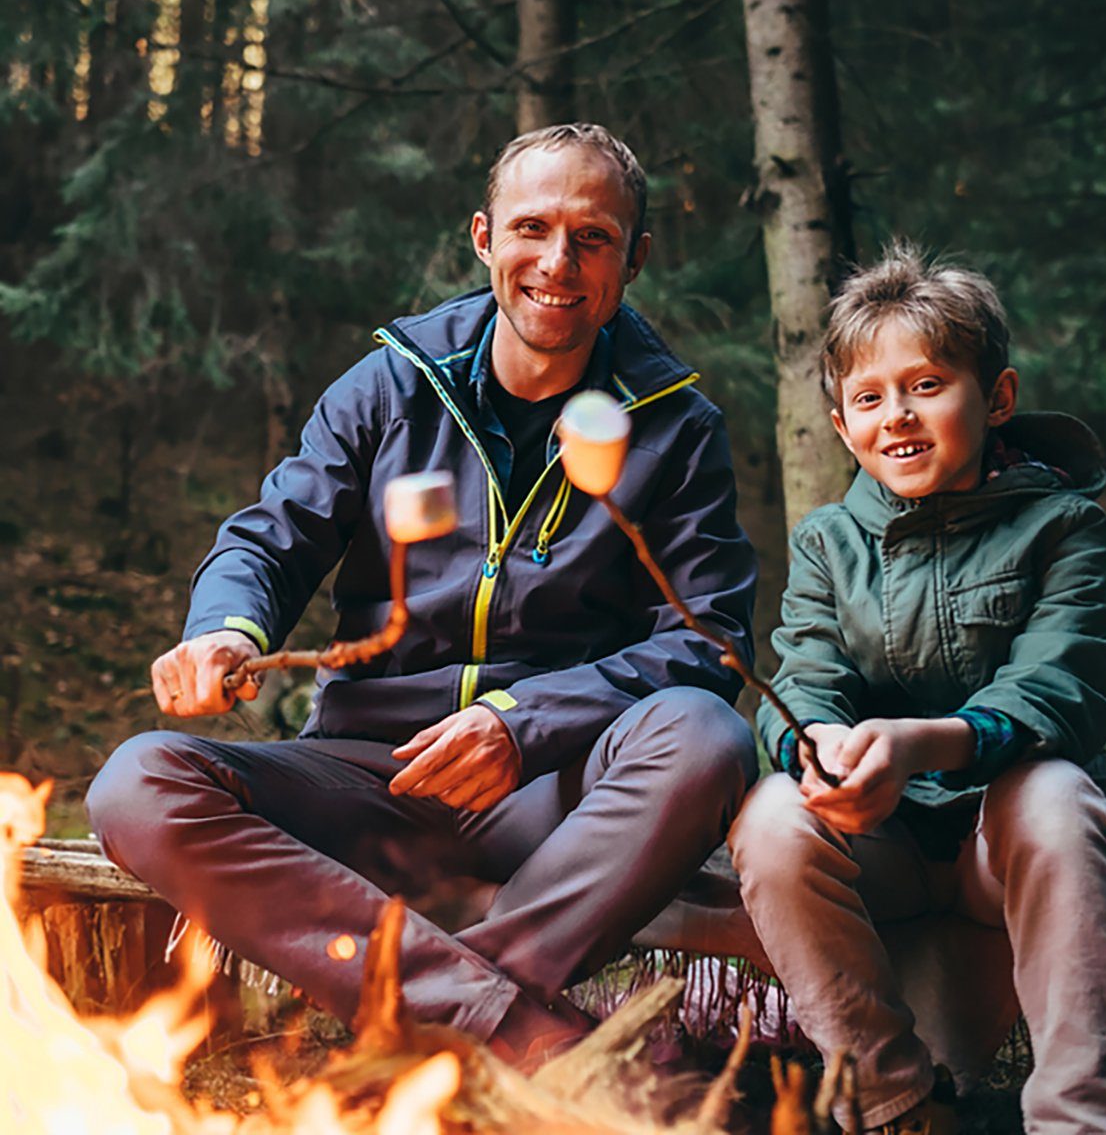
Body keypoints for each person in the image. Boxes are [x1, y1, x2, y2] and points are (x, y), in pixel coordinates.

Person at [87, 123, 758, 1066]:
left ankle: (428, 1037)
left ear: (635, 256)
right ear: (484, 238)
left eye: (593, 238)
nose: (557, 263)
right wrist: (226, 630)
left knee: (704, 733)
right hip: (370, 774)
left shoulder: (679, 430)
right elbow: (274, 534)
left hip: (553, 800)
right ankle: (519, 1041)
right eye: (533, 229)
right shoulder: (390, 387)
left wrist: (524, 722)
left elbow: (707, 642)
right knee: (137, 784)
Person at [728, 244, 1106, 1134]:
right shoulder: (825, 543)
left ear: (995, 400)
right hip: (876, 846)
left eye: (926, 385)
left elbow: (1064, 683)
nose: (898, 417)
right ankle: (894, 1103)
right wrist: (817, 751)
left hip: (994, 858)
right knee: (768, 815)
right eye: (871, 399)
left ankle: (1090, 1116)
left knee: (1055, 792)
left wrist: (929, 741)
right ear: (843, 427)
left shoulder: (1059, 523)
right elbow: (803, 678)